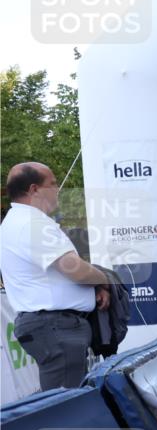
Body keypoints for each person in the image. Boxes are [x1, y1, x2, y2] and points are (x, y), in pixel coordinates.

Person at [0, 162, 111, 391]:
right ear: (34, 190)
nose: (58, 189)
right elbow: (76, 270)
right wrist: (105, 278)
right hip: (55, 326)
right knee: (66, 406)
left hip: (52, 326)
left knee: (65, 399)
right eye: (52, 183)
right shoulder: (32, 223)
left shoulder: (19, 221)